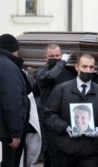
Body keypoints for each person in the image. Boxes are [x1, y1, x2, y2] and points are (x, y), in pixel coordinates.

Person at [42, 53, 98, 167]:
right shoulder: (62, 89)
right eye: (84, 66)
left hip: (90, 151)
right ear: (77, 67)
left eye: (91, 67)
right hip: (65, 149)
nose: (88, 70)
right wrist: (65, 127)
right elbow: (48, 114)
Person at [34, 43, 75, 167]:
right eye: (52, 56)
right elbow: (51, 76)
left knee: (63, 154)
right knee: (52, 152)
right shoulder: (40, 72)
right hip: (49, 118)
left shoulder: (69, 72)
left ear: (61, 55)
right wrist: (62, 63)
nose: (55, 58)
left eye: (58, 56)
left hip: (67, 116)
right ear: (45, 58)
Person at [0, 33, 31, 167]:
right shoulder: (9, 68)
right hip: (6, 133)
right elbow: (12, 102)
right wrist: (15, 133)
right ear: (15, 50)